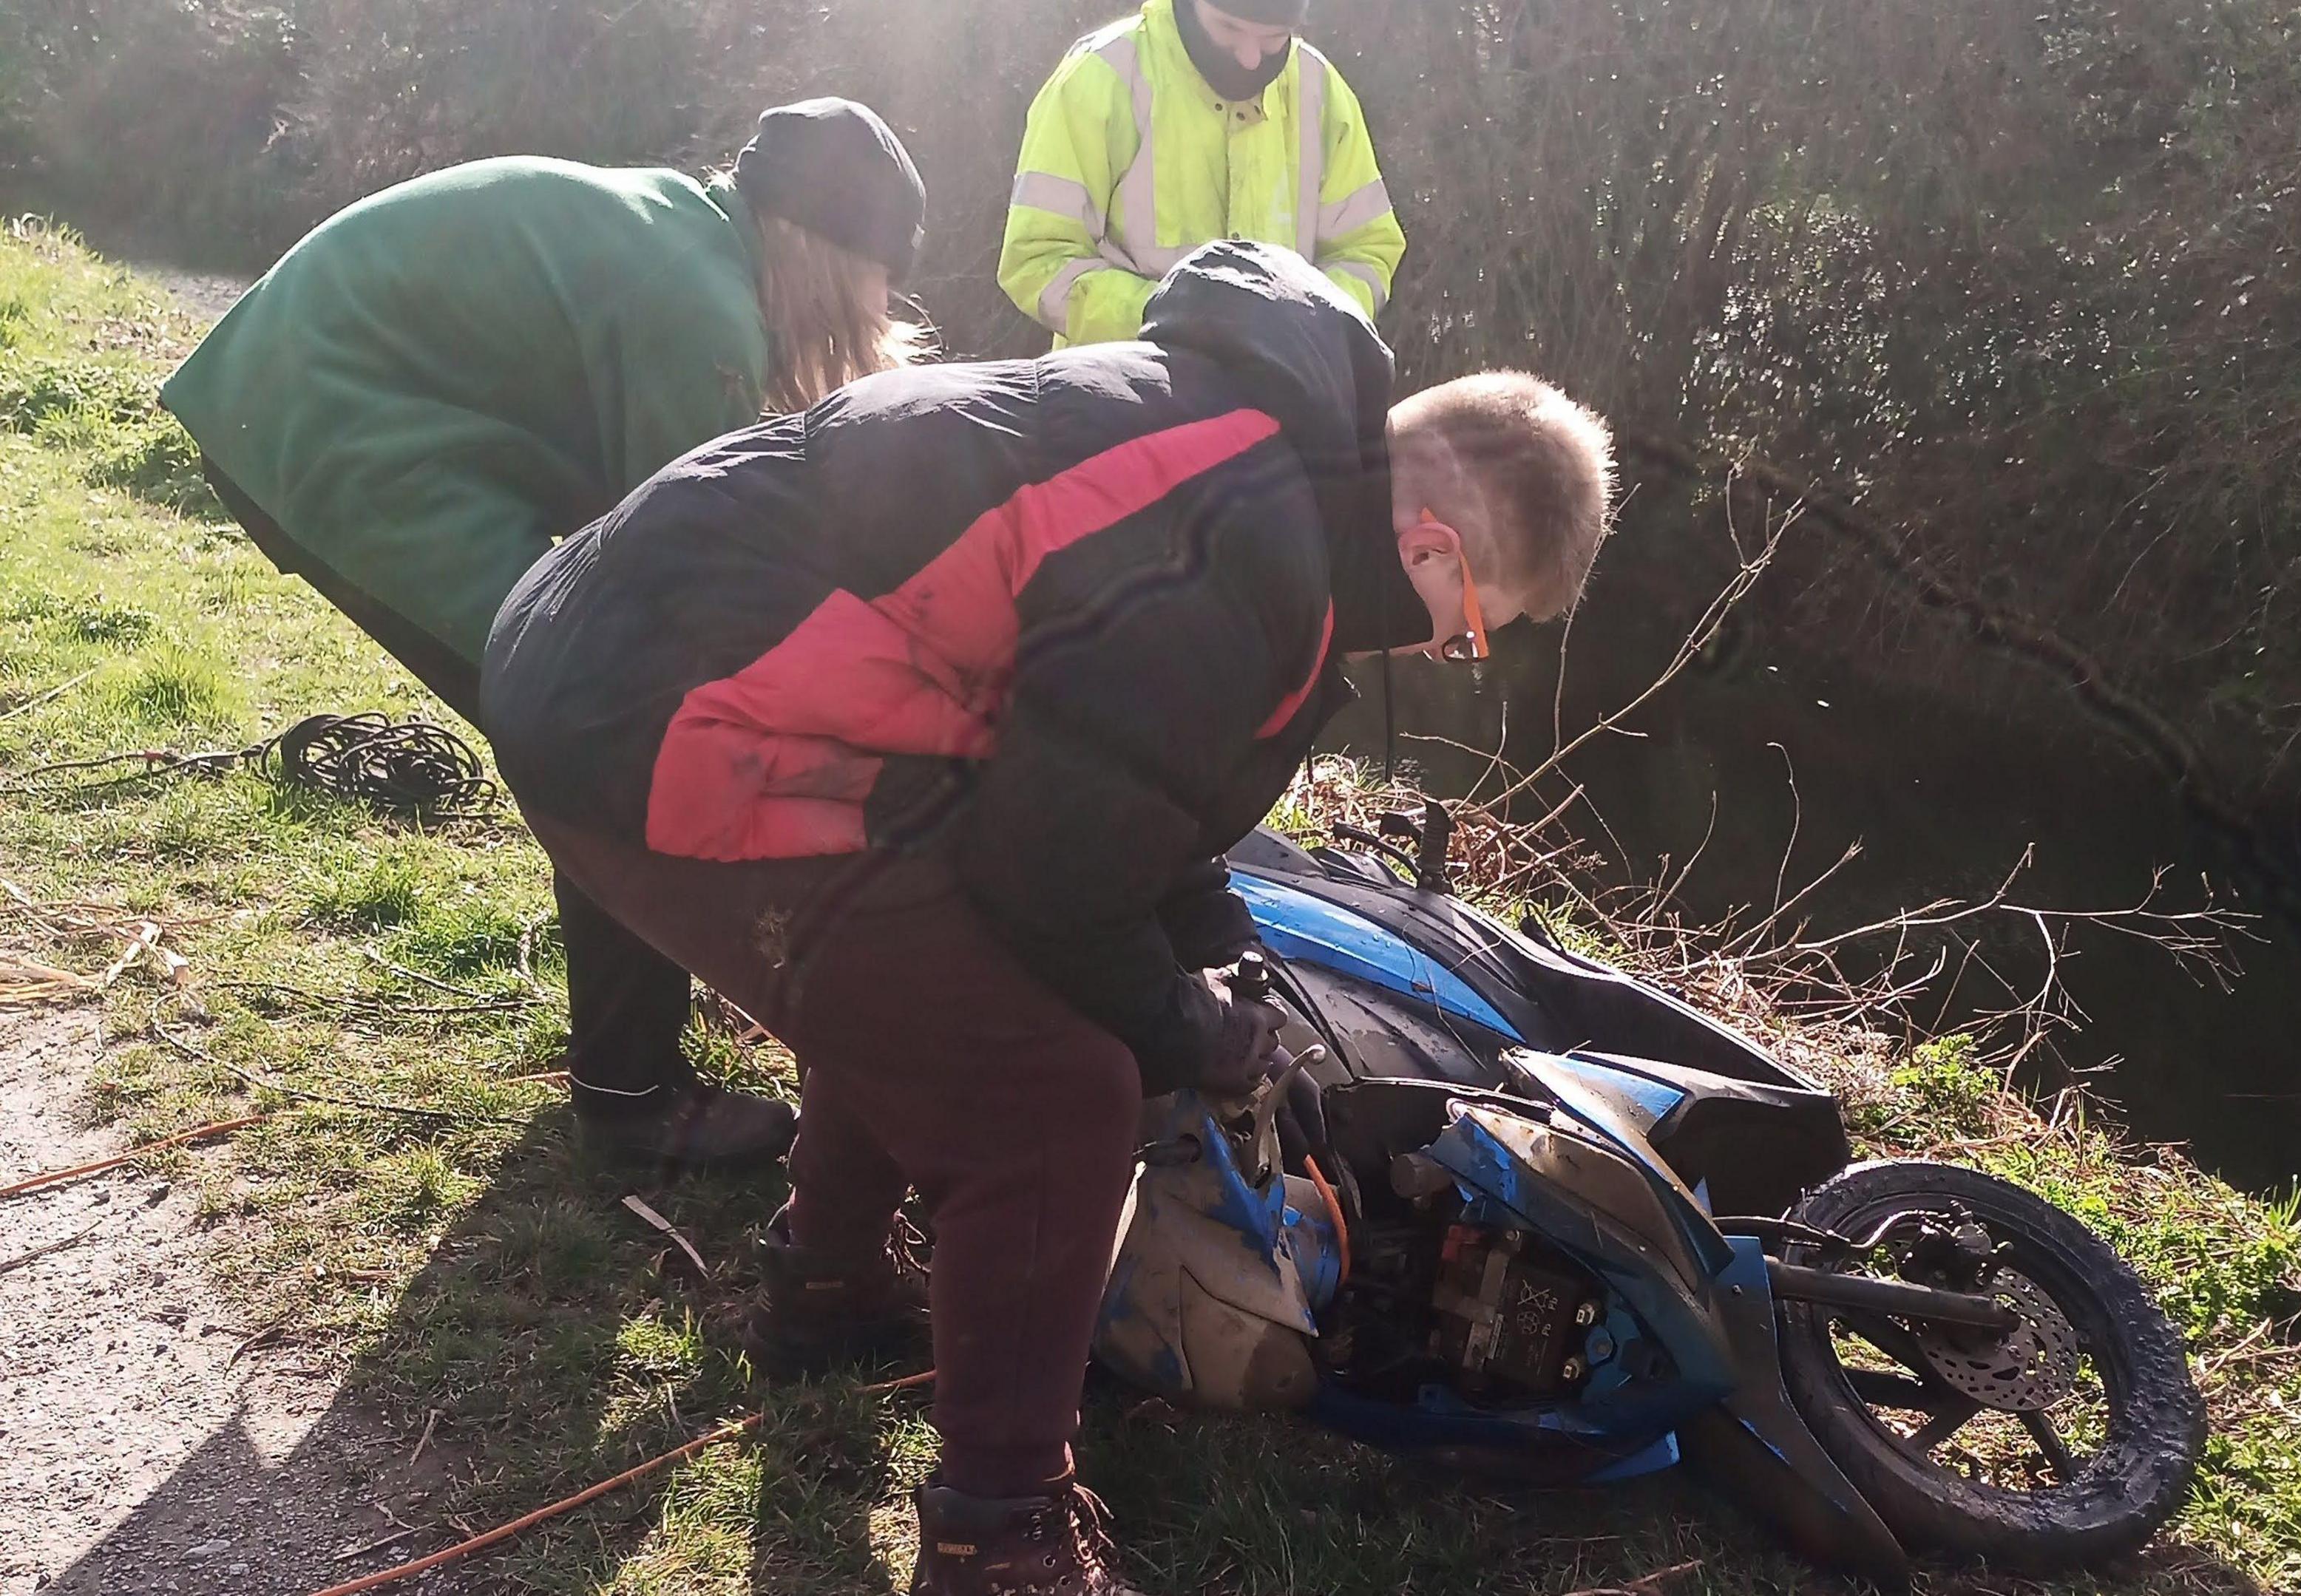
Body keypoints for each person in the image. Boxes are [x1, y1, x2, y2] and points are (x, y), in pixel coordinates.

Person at [481, 240, 1611, 1595]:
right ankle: (998, 1527)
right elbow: (1056, 872)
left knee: (932, 955)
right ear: (1431, 546)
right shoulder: (1242, 556)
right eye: (1472, 626)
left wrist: (1211, 943)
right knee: (1058, 1088)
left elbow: (1116, 773)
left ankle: (826, 1282)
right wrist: (1190, 1026)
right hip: (651, 717)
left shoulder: (1250, 460)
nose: (1444, 651)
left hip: (614, 647)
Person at [160, 99, 930, 1169]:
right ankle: (632, 1101)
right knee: (613, 730)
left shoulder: (684, 231)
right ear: (830, 262)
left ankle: (652, 1008)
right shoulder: (699, 308)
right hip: (340, 423)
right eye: (875, 289)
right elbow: (708, 597)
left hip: (303, 389)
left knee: (621, 707)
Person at [1000, 0, 1405, 347]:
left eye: (1272, 37)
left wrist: (1310, 320)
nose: (1250, 57)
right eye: (1229, 28)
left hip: (1277, 404)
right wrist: (1171, 314)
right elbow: (1038, 260)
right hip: (1121, 406)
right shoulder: (1099, 77)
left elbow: (1366, 251)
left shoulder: (1321, 92)